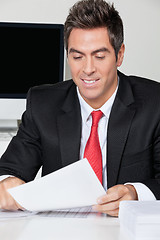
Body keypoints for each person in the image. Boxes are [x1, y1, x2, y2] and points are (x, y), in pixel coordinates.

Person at [0, 0, 160, 217]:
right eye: (77, 57)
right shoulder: (42, 104)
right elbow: (10, 170)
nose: (88, 69)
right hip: (61, 230)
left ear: (119, 55)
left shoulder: (154, 103)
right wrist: (7, 184)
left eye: (100, 56)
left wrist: (136, 193)